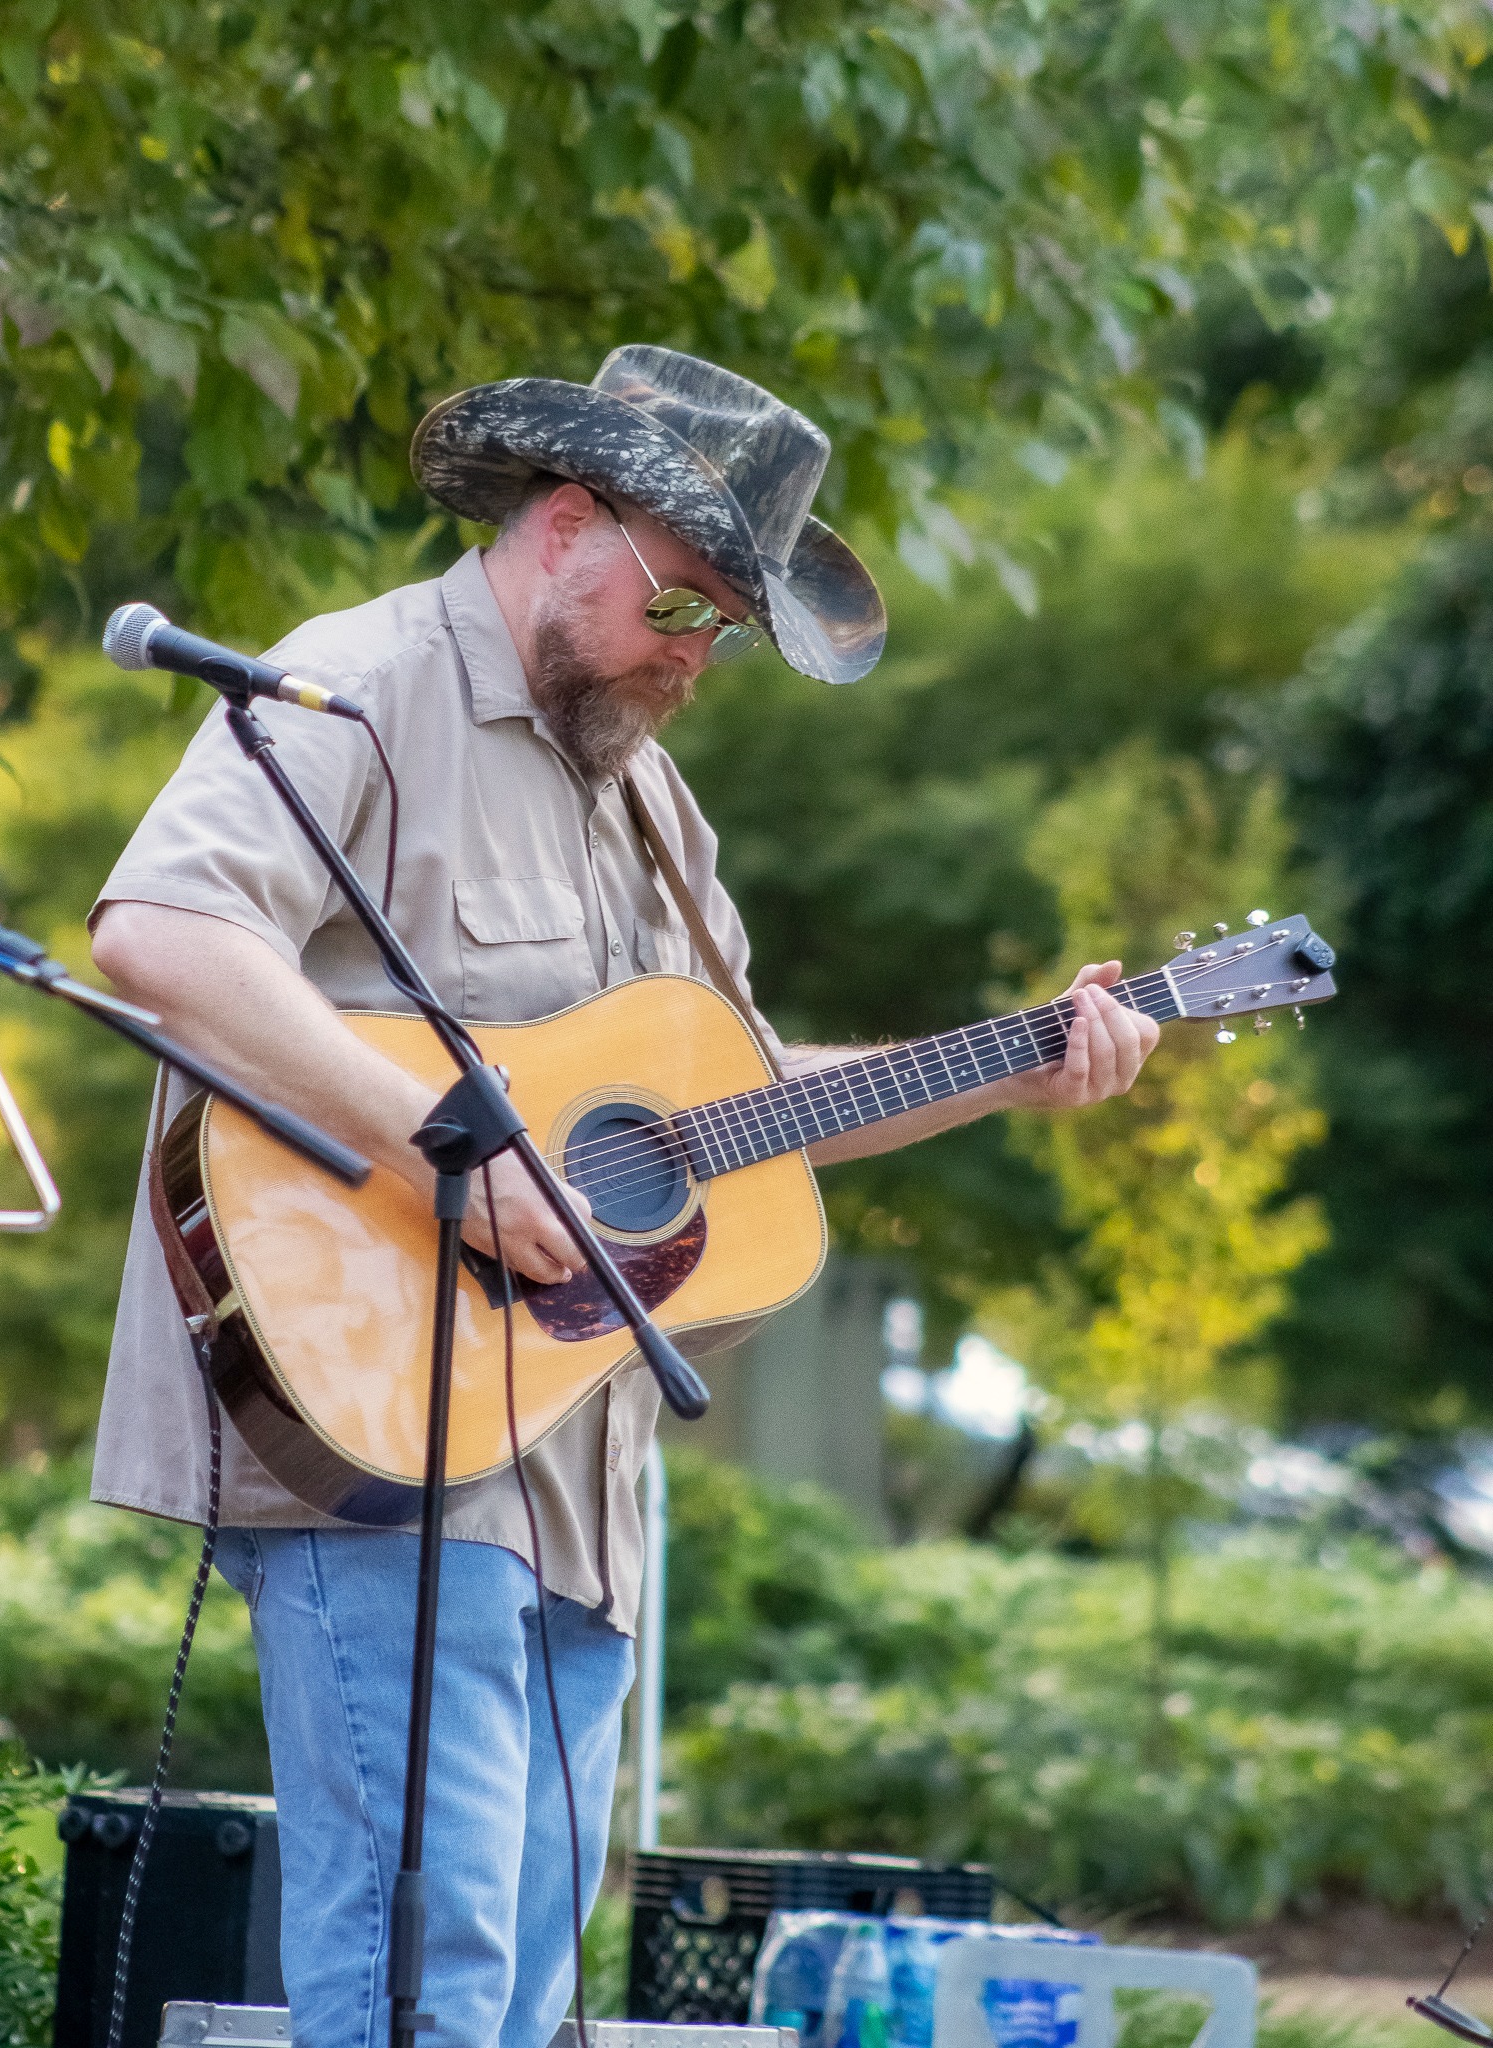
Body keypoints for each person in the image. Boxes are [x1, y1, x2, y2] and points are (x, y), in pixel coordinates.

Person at [88, 346, 1158, 2048]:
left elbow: (725, 1105)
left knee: (522, 1996)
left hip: (582, 1475)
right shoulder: (353, 687)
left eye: (724, 634)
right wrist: (447, 1140)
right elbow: (160, 933)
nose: (692, 661)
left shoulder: (652, 798)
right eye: (680, 610)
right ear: (566, 524)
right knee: (424, 1978)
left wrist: (1002, 1068)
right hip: (382, 1428)